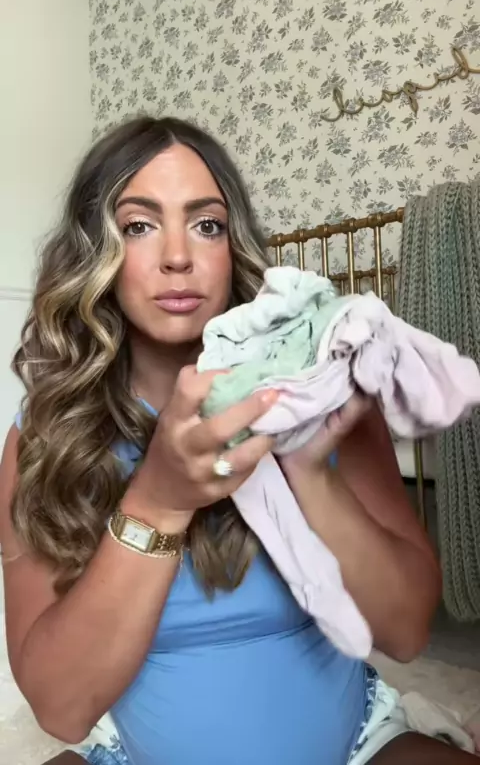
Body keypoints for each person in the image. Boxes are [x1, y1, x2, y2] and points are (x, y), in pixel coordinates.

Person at [0, 116, 473, 765]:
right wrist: (159, 501)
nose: (177, 256)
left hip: (359, 746)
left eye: (206, 224)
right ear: (95, 253)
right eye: (139, 226)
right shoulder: (44, 439)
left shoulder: (325, 395)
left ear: (233, 248)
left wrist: (310, 471)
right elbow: (60, 708)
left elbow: (407, 632)